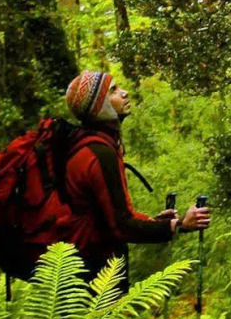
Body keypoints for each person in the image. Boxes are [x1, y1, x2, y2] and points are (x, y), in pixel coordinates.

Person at [62, 70, 210, 285]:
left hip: (78, 268)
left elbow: (107, 216)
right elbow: (122, 226)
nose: (125, 93)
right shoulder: (99, 153)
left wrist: (155, 223)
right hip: (95, 276)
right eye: (113, 90)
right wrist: (179, 225)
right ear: (99, 106)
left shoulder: (88, 146)